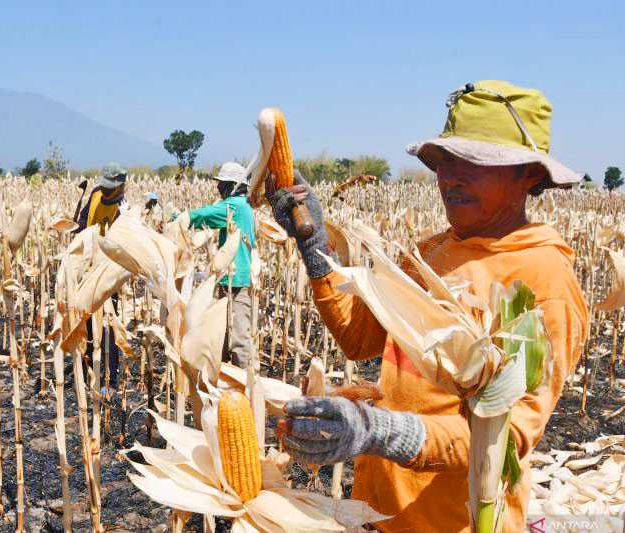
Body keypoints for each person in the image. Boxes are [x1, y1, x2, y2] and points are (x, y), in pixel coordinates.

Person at [269, 80, 588, 532]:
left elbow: (508, 436)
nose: (451, 177)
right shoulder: (433, 251)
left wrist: (378, 431)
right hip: (378, 512)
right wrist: (314, 244)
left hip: (457, 521)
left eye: (474, 163)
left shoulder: (542, 278)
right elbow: (359, 339)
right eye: (445, 161)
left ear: (530, 175)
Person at [188, 162, 256, 369]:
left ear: (232, 186)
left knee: (238, 340)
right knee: (223, 337)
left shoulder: (235, 205)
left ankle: (244, 388)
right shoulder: (241, 206)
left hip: (237, 280)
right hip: (229, 279)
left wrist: (179, 219)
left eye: (222, 184)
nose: (218, 188)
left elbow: (203, 216)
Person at [74, 163, 128, 396]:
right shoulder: (96, 194)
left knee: (107, 325)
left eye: (111, 189)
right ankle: (89, 372)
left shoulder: (124, 210)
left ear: (122, 186)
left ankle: (110, 379)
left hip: (109, 274)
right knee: (86, 321)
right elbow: (81, 225)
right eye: (105, 187)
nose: (106, 192)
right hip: (88, 269)